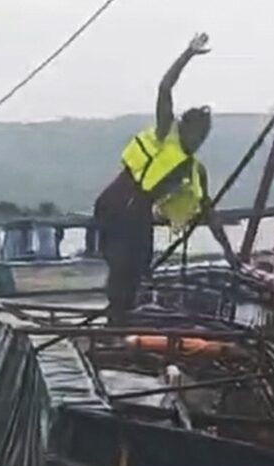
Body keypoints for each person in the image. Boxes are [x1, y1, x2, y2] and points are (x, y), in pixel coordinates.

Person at [93, 32, 236, 324]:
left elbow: (209, 212)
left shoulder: (195, 170)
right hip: (117, 203)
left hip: (139, 214)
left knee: (140, 269)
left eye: (204, 136)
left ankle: (123, 324)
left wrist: (231, 254)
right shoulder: (164, 132)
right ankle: (114, 325)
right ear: (184, 127)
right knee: (121, 269)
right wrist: (188, 53)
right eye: (197, 132)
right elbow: (164, 87)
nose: (199, 140)